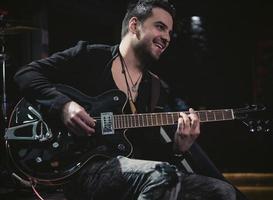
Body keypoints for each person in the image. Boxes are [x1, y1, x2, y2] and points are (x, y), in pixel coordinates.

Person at [14, 0, 237, 199]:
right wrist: (63, 105)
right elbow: (26, 74)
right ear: (134, 26)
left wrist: (178, 149)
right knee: (162, 175)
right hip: (77, 168)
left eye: (169, 31)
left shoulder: (155, 88)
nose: (167, 37)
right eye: (160, 27)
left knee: (222, 192)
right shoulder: (91, 56)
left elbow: (147, 155)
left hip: (129, 172)